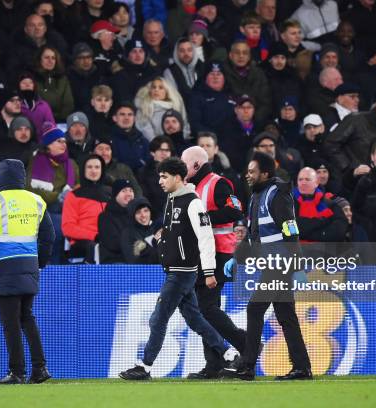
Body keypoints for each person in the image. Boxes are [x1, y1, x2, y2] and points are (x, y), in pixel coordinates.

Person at [119, 157, 234, 380]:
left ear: (179, 178)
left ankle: (145, 366)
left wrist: (209, 271)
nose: (160, 181)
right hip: (176, 270)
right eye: (159, 176)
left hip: (183, 272)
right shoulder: (172, 201)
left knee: (158, 318)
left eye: (165, 176)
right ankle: (229, 354)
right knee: (195, 319)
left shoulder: (193, 202)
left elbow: (206, 237)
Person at [220, 152, 311, 381]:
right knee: (286, 314)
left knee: (255, 308)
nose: (247, 175)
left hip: (280, 264)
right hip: (271, 264)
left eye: (252, 171)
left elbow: (291, 230)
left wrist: (297, 266)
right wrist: (237, 258)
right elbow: (253, 237)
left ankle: (247, 366)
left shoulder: (277, 194)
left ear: (266, 173)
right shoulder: (256, 196)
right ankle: (301, 367)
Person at [0, 159, 55, 384]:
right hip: (30, 266)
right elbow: (49, 237)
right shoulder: (36, 200)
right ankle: (40, 369)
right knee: (27, 318)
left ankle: (17, 372)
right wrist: (40, 263)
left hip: (6, 267)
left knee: (11, 323)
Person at [181, 146, 246, 379]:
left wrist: (203, 219)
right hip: (203, 254)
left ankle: (245, 342)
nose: (182, 168)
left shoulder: (218, 183)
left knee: (205, 309)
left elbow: (236, 210)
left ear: (196, 165)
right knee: (205, 309)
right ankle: (214, 364)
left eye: (185, 163)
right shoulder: (193, 187)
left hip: (219, 253)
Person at [27, 123, 79, 264]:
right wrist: (56, 196)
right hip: (42, 209)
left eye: (64, 142)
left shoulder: (71, 164)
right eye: (58, 141)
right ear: (48, 144)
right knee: (55, 223)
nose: (63, 144)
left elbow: (78, 187)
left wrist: (69, 196)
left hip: (68, 210)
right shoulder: (35, 161)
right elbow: (29, 188)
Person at [62, 154, 110, 263]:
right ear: (83, 169)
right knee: (97, 249)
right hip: (83, 241)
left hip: (108, 239)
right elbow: (68, 227)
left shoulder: (110, 194)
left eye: (97, 167)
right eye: (89, 167)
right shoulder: (73, 195)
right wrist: (94, 235)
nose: (93, 171)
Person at [134, 77, 190, 142]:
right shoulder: (143, 108)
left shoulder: (176, 106)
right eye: (153, 87)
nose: (156, 90)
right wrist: (160, 146)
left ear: (167, 91)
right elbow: (145, 131)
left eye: (160, 88)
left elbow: (185, 125)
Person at [98, 179, 135, 263]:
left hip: (136, 259)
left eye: (131, 190)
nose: (128, 194)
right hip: (115, 261)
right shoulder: (105, 217)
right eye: (124, 191)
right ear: (115, 195)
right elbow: (113, 244)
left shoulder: (137, 214)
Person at [121, 196, 159, 264]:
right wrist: (154, 242)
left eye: (146, 210)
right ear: (132, 215)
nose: (143, 215)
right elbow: (134, 260)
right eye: (138, 212)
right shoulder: (128, 234)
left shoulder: (156, 229)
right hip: (140, 272)